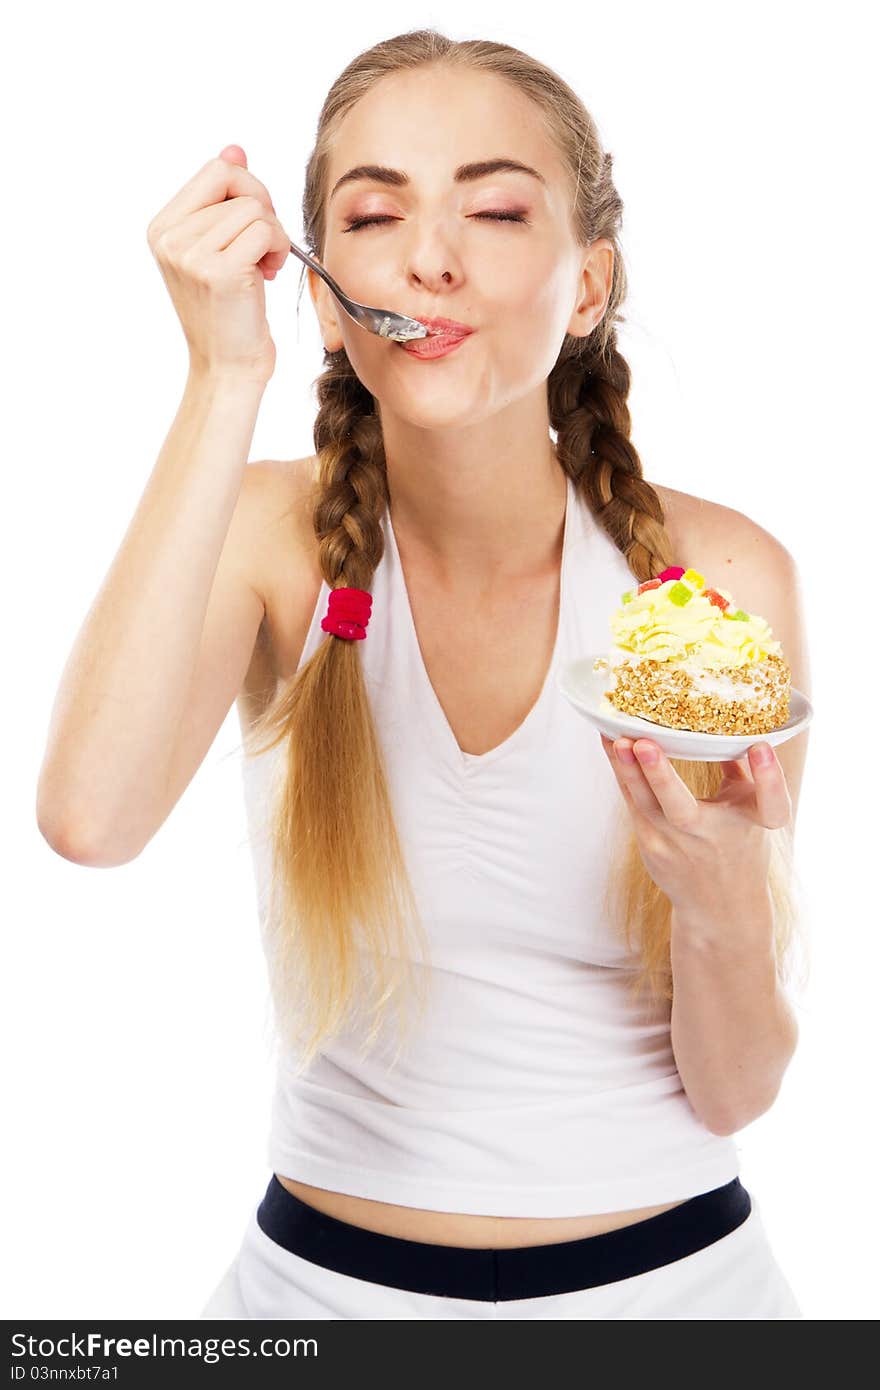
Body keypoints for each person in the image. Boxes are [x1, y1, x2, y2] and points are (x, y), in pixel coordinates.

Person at [37, 28, 809, 1320]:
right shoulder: (273, 542)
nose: (428, 254)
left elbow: (734, 1090)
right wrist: (226, 369)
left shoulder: (718, 584)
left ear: (587, 285)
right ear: (324, 282)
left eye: (497, 207)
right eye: (374, 211)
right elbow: (88, 817)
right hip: (315, 1302)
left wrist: (727, 895)